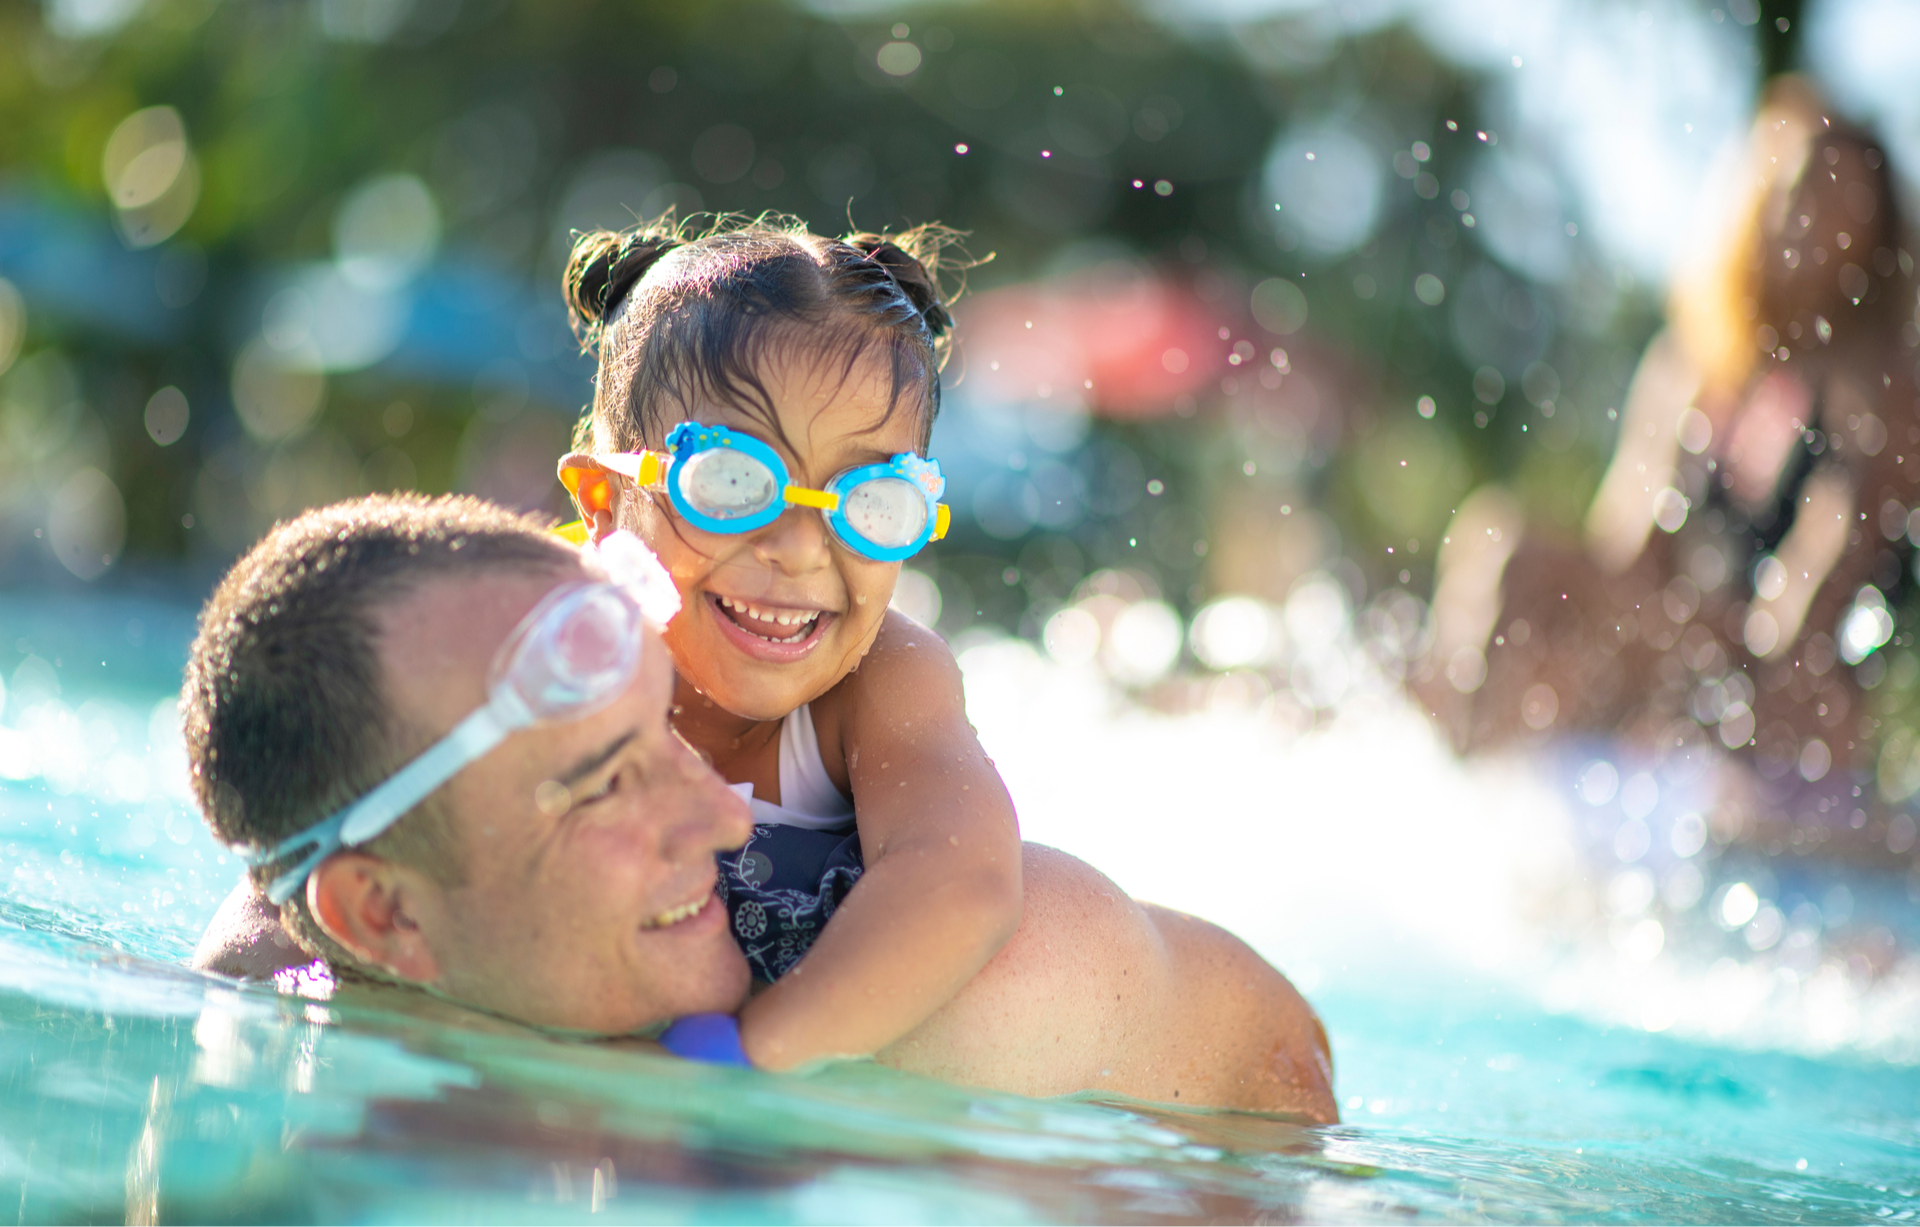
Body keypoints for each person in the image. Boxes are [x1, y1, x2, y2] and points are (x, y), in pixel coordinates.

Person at [190, 494, 1338, 1120]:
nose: (734, 822)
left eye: (669, 733)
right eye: (608, 784)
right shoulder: (284, 1007)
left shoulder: (990, 999)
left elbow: (1277, 1080)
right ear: (383, 919)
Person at [553, 215, 1024, 1072]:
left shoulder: (884, 680)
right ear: (600, 501)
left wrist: (740, 1066)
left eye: (873, 498)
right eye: (731, 481)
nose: (800, 549)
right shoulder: (538, 653)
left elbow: (962, 882)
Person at [1418, 76, 1918, 825]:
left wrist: (1701, 660)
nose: (1813, 221)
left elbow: (1819, 592)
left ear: (1875, 233)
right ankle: (1454, 784)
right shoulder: (1694, 367)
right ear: (1754, 203)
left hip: (1795, 687)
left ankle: (1509, 786)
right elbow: (1627, 546)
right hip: (1695, 651)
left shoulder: (1885, 385)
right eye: (1797, 190)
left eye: (1841, 203)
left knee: (1786, 685)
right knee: (1502, 542)